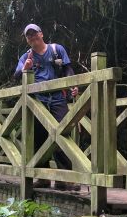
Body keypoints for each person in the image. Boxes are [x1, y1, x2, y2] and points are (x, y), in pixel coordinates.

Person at [14, 24, 79, 190]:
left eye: (35, 34)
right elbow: (17, 76)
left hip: (58, 98)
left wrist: (72, 85)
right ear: (27, 39)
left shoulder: (56, 49)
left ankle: (66, 178)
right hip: (37, 100)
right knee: (39, 137)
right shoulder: (25, 57)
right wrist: (26, 69)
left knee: (62, 135)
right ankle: (42, 177)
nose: (33, 37)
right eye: (29, 36)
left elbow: (67, 69)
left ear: (41, 34)